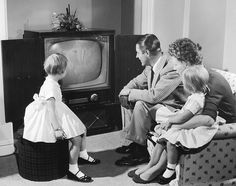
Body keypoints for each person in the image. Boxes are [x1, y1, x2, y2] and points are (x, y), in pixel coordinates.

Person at [128, 38, 236, 184]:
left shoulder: (208, 80)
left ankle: (160, 167)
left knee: (173, 130)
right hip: (202, 115)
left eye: (176, 63)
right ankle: (151, 164)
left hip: (221, 125)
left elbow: (208, 119)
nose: (174, 66)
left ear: (185, 62)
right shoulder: (195, 75)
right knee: (160, 112)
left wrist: (174, 124)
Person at [23, 53, 100, 183]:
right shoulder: (51, 86)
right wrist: (57, 129)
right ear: (61, 71)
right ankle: (73, 170)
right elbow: (51, 111)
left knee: (82, 129)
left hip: (59, 111)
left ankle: (82, 155)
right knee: (76, 140)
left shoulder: (50, 81)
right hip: (52, 117)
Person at [115, 34, 188, 166]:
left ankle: (140, 151)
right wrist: (124, 92)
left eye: (138, 53)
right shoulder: (151, 66)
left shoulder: (171, 68)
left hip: (176, 110)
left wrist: (129, 93)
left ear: (147, 53)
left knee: (140, 103)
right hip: (161, 105)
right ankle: (135, 142)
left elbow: (154, 96)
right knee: (131, 98)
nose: (136, 56)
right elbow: (137, 82)